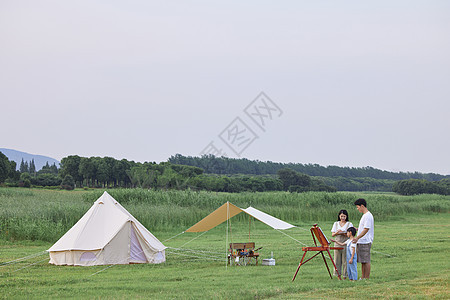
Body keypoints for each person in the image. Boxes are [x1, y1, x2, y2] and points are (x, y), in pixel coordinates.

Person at [353, 198, 374, 279]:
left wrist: (357, 237)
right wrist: (358, 229)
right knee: (362, 261)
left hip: (365, 241)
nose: (357, 209)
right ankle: (363, 277)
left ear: (362, 206)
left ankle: (367, 277)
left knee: (366, 260)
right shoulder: (364, 216)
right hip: (362, 241)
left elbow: (366, 229)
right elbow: (363, 228)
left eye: (358, 207)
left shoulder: (368, 216)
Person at [331, 209, 353, 278]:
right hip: (337, 242)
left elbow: (350, 235)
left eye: (344, 216)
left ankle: (345, 275)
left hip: (345, 242)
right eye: (341, 216)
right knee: (337, 260)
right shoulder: (336, 224)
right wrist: (337, 233)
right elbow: (333, 234)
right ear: (339, 216)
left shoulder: (349, 224)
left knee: (345, 260)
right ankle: (337, 275)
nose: (343, 218)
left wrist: (343, 233)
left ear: (346, 216)